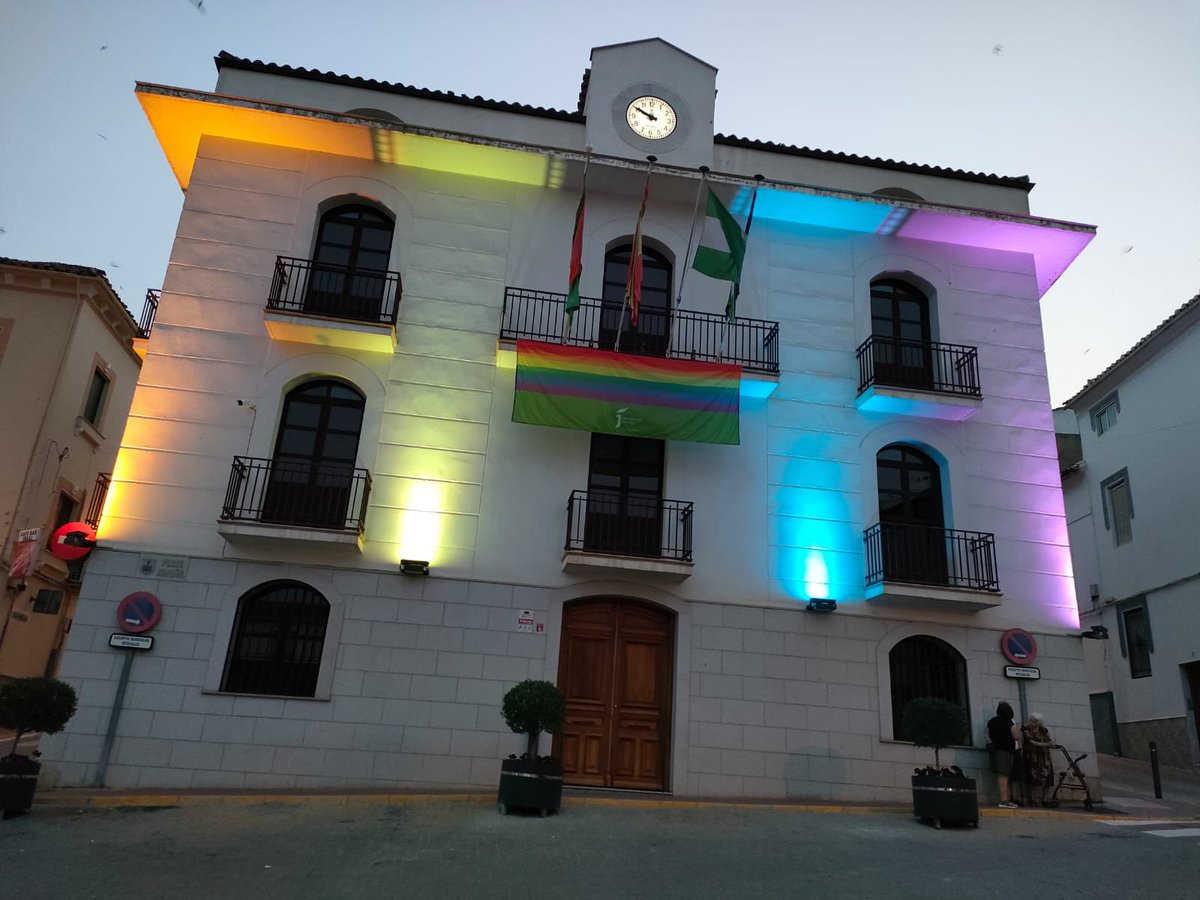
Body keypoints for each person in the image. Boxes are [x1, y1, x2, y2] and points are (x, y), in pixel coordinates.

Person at [986, 701, 1022, 808]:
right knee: (1004, 776)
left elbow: (987, 734)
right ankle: (1004, 800)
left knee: (1001, 775)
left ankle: (1005, 799)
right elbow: (1016, 736)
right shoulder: (1009, 723)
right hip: (1006, 751)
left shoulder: (992, 722)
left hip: (995, 750)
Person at [1023, 713, 1056, 807]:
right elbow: (1031, 742)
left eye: (1035, 721)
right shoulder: (1026, 729)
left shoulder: (1044, 730)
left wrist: (1051, 744)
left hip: (1044, 757)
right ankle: (1034, 800)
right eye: (1032, 720)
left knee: (1048, 778)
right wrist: (1047, 744)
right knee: (1034, 779)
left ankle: (1044, 799)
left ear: (1039, 723)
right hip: (1033, 756)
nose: (1032, 723)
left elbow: (1049, 740)